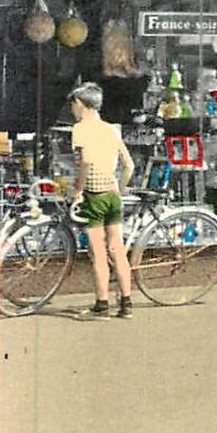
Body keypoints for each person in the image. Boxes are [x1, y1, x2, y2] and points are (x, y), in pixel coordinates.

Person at [69, 82, 137, 319]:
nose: (72, 110)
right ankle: (127, 304)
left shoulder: (80, 129)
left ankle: (102, 305)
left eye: (73, 105)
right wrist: (118, 188)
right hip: (112, 195)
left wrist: (77, 189)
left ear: (80, 104)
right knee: (117, 249)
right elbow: (129, 166)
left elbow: (85, 160)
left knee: (98, 252)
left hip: (93, 196)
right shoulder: (112, 129)